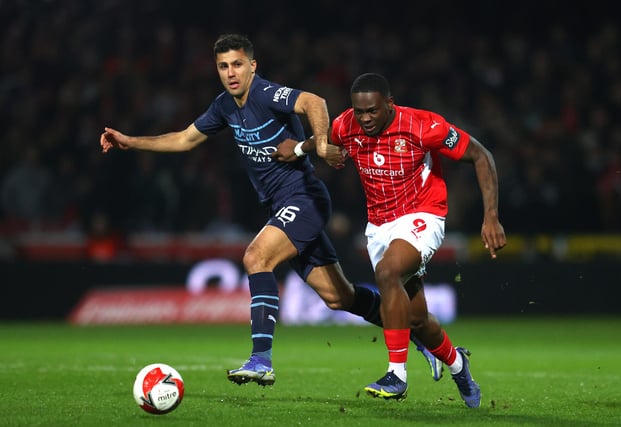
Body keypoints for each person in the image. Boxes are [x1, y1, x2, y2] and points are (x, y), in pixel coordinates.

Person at [100, 35, 443, 389]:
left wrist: (321, 144)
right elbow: (185, 138)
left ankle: (261, 360)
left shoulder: (266, 94)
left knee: (256, 257)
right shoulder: (223, 106)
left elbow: (314, 101)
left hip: (304, 199)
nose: (230, 73)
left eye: (236, 64)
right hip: (283, 206)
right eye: (223, 66)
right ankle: (412, 334)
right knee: (340, 298)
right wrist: (131, 141)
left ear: (252, 65)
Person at [273, 72, 506, 407]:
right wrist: (298, 148)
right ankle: (458, 364)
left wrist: (492, 217)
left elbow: (481, 156)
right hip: (379, 227)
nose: (365, 118)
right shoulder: (346, 124)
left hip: (423, 215)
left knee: (386, 273)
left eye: (372, 111)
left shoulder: (424, 126)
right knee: (417, 320)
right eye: (359, 111)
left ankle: (397, 375)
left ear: (390, 104)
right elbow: (325, 142)